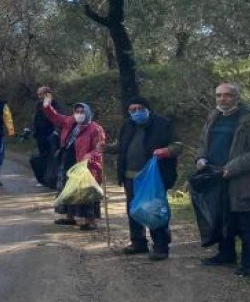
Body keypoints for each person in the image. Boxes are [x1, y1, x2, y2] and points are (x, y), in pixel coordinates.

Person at [195, 83, 250, 277]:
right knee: (221, 217)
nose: (222, 99)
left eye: (227, 95)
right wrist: (200, 158)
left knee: (245, 222)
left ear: (237, 97)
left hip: (241, 179)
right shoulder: (214, 116)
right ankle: (226, 254)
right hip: (215, 177)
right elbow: (202, 142)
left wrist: (232, 168)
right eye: (219, 95)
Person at [115, 96, 182, 261]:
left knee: (154, 211)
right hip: (130, 177)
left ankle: (161, 246)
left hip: (154, 178)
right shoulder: (127, 125)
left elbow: (178, 145)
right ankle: (138, 242)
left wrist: (166, 151)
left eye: (140, 109)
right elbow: (121, 146)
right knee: (134, 210)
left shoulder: (163, 124)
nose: (136, 112)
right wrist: (106, 148)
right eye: (133, 110)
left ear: (148, 109)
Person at [42, 95, 106, 230]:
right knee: (68, 190)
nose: (79, 114)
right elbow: (55, 117)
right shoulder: (70, 122)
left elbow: (99, 148)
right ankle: (69, 217)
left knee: (86, 192)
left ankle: (90, 220)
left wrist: (90, 156)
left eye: (82, 112)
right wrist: (47, 106)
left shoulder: (95, 129)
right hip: (68, 161)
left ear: (88, 113)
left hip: (85, 165)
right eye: (77, 111)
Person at [30, 86, 61, 188]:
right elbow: (36, 119)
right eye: (38, 94)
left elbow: (59, 118)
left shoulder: (55, 104)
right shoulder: (38, 104)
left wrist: (56, 132)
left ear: (47, 94)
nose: (39, 96)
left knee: (52, 158)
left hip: (51, 136)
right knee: (42, 157)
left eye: (41, 94)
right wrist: (32, 130)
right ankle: (43, 180)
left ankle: (53, 180)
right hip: (40, 136)